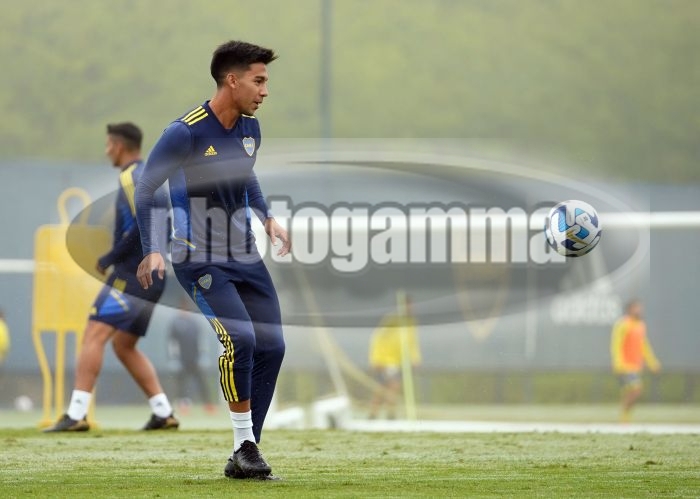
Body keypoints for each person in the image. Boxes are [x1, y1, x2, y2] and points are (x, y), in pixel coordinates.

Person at [134, 41, 290, 480]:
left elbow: (246, 175)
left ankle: (246, 449)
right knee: (240, 340)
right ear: (232, 80)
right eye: (259, 81)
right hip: (198, 257)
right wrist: (152, 247)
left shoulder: (250, 129)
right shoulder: (184, 133)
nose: (265, 91)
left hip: (243, 253)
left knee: (273, 346)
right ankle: (244, 446)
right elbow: (146, 187)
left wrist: (267, 217)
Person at [45, 123, 178, 432]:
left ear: (118, 146)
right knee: (123, 345)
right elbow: (162, 224)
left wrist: (110, 257)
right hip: (155, 277)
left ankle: (76, 415)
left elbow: (143, 225)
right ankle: (163, 412)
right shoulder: (152, 176)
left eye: (108, 145)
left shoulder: (131, 176)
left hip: (131, 274)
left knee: (94, 333)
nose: (106, 151)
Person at [368, 296, 421, 420]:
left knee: (391, 387)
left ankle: (388, 414)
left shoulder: (411, 322)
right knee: (385, 387)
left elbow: (412, 343)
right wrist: (376, 359)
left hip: (398, 362)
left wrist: (415, 358)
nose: (410, 308)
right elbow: (377, 338)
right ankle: (376, 414)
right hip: (385, 360)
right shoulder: (391, 320)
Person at [610, 299, 661, 423]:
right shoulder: (623, 324)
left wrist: (652, 362)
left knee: (629, 391)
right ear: (629, 309)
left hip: (636, 365)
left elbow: (644, 345)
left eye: (640, 308)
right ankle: (624, 417)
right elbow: (616, 344)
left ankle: (624, 419)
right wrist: (617, 362)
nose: (639, 310)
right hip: (625, 365)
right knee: (636, 389)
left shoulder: (640, 325)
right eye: (636, 308)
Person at [167, 298, 216, 414]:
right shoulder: (175, 323)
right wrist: (173, 358)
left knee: (202, 382)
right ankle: (184, 405)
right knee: (182, 383)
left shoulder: (195, 323)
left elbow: (201, 340)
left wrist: (203, 355)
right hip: (182, 359)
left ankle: (208, 405)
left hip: (195, 359)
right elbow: (172, 342)